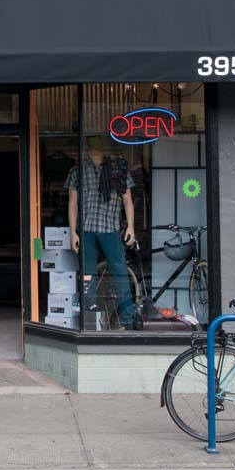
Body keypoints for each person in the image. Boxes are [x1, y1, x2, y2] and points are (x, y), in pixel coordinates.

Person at [66, 136, 137, 329]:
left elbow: (127, 200)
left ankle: (127, 319)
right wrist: (73, 232)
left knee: (120, 273)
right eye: (90, 147)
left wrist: (131, 227)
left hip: (110, 227)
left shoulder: (117, 169)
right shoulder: (78, 171)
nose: (93, 151)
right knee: (87, 273)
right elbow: (73, 204)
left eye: (96, 147)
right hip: (86, 229)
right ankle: (89, 317)